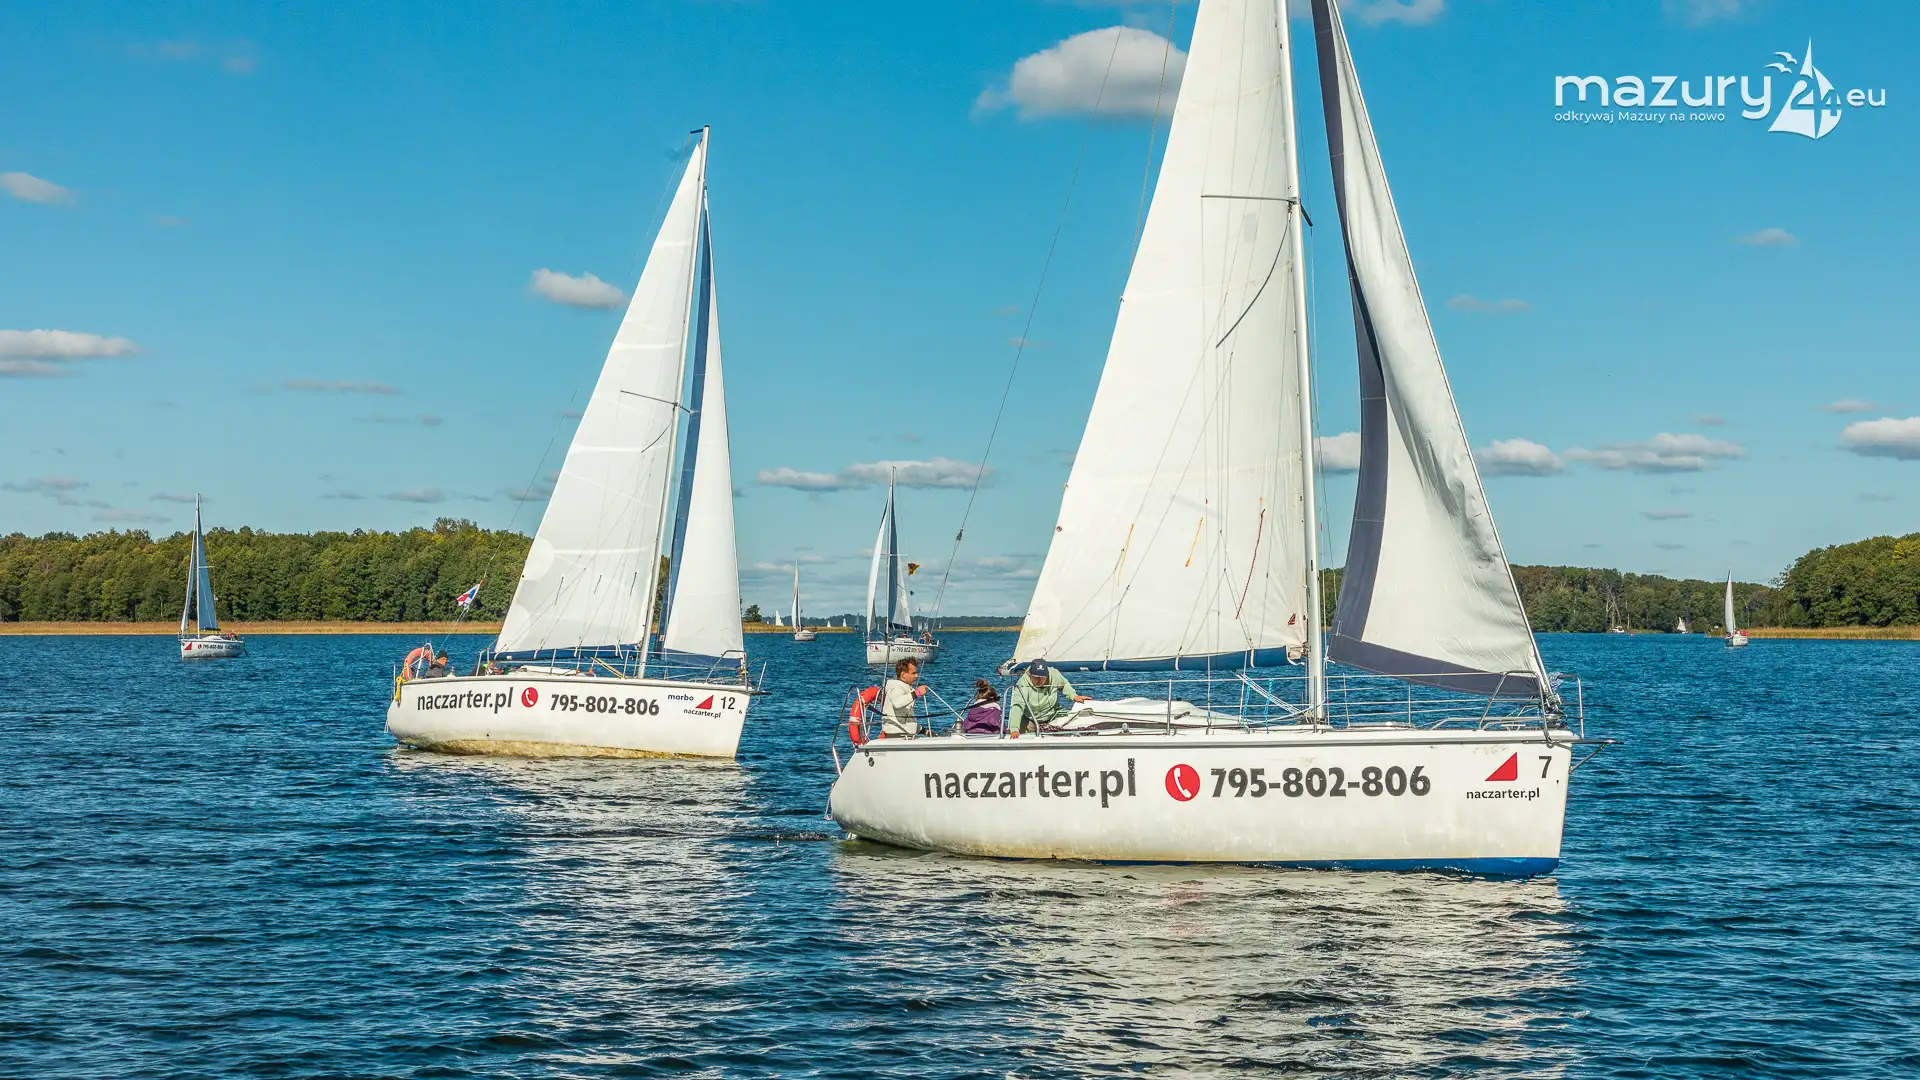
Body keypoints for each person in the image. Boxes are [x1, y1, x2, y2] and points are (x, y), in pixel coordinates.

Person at [1005, 659, 1089, 735]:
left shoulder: (1054, 674)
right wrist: (1014, 729)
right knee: (1022, 736)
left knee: (1072, 727)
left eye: (1042, 678)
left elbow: (1064, 685)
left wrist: (1074, 696)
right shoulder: (1022, 684)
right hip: (1030, 718)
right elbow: (1018, 706)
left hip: (1052, 715)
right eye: (1036, 678)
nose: (1039, 681)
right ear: (1029, 674)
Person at [881, 657, 928, 737]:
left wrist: (925, 731)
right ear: (903, 675)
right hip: (897, 737)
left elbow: (908, 721)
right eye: (913, 673)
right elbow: (897, 703)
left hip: (906, 736)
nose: (916, 676)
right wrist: (917, 693)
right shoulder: (896, 688)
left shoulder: (905, 688)